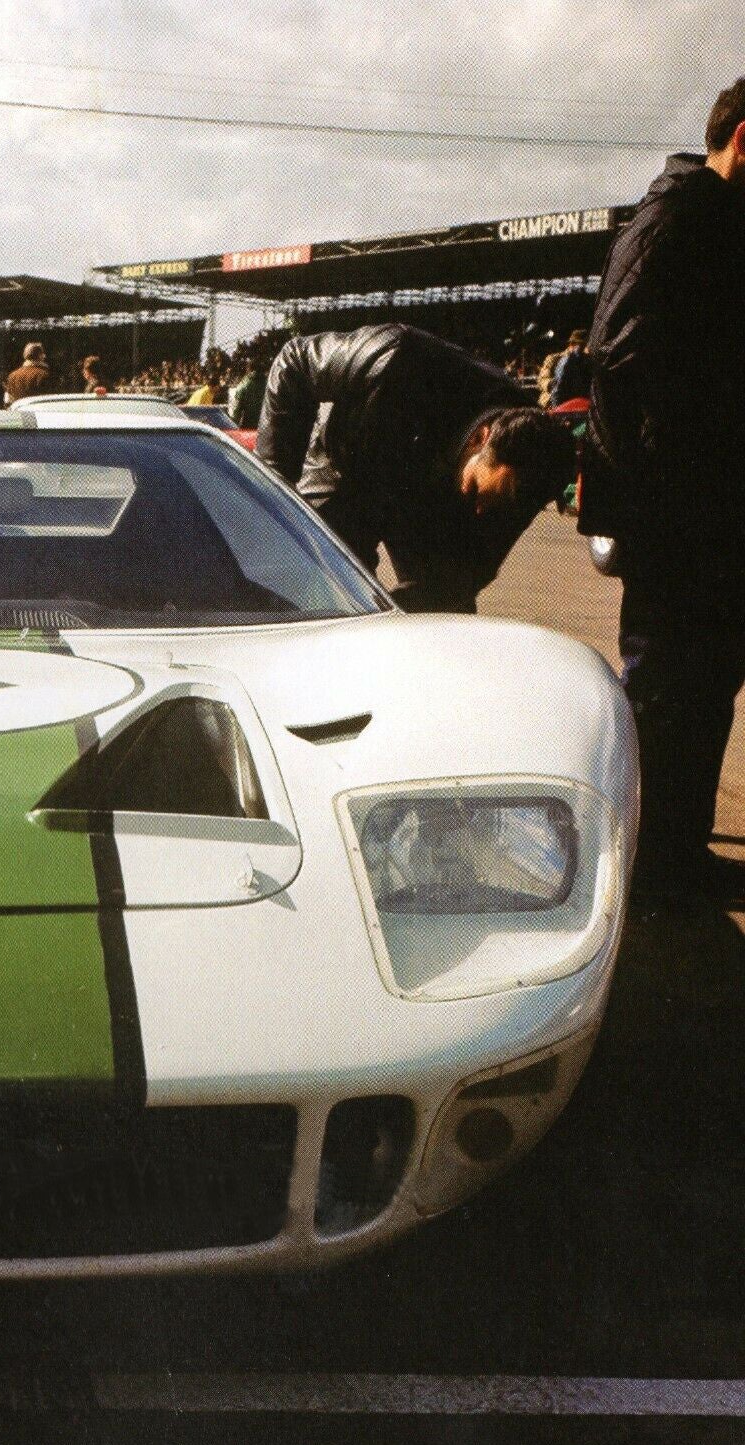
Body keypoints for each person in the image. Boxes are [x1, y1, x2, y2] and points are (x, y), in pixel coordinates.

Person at [578, 77, 745, 898]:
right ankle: (642, 868)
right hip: (682, 519)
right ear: (743, 140)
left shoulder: (717, 223)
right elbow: (619, 366)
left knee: (706, 684)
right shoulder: (677, 221)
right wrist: (662, 495)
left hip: (712, 515)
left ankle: (673, 854)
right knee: (669, 688)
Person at [256, 323, 575, 612]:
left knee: (446, 612)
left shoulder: (533, 463)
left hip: (430, 501)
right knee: (307, 572)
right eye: (478, 490)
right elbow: (293, 361)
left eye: (495, 507)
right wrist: (272, 489)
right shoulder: (393, 357)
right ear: (481, 437)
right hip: (350, 464)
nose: (481, 510)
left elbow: (471, 572)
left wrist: (406, 611)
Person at [549, 329, 591, 407]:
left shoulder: (586, 360)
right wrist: (557, 410)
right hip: (568, 406)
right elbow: (557, 389)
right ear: (572, 345)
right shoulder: (566, 362)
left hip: (580, 405)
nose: (585, 348)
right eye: (582, 345)